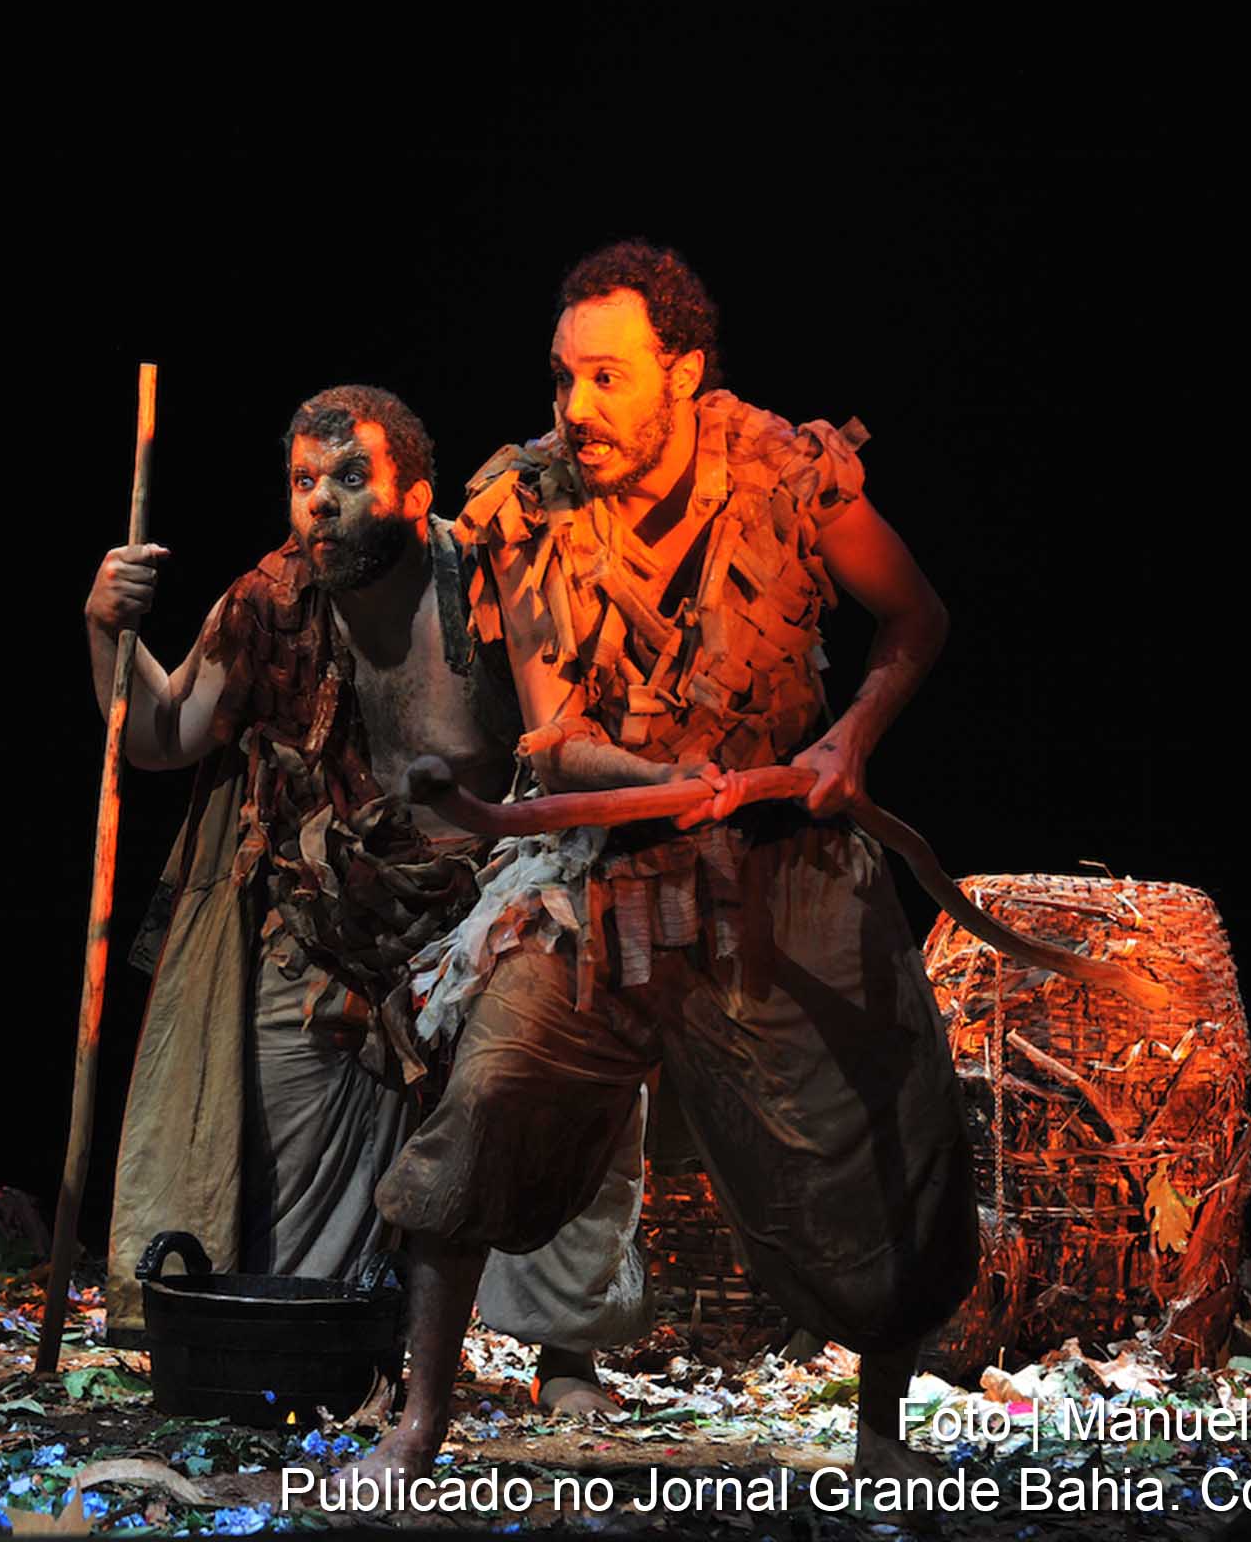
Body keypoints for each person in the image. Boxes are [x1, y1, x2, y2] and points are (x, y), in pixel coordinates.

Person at [352, 242, 977, 1482]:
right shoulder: (524, 506)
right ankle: (421, 1425)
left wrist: (845, 739)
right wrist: (691, 790)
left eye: (607, 377)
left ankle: (881, 1427)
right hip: (602, 888)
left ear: (683, 372)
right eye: (562, 377)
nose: (575, 408)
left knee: (872, 1134)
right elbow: (557, 743)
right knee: (486, 1101)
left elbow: (916, 618)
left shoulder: (790, 474)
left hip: (785, 874)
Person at [89, 385, 650, 1415]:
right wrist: (105, 629)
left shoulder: (488, 580)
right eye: (305, 482)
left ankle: (566, 1357)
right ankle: (343, 1336)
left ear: (417, 493)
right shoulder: (269, 602)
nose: (322, 505)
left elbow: (557, 741)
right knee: (282, 1195)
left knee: (563, 1065)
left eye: (351, 479)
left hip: (489, 899)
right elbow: (159, 737)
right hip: (333, 918)